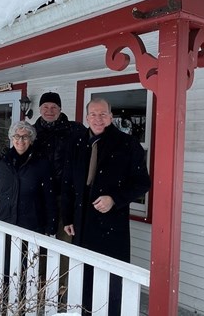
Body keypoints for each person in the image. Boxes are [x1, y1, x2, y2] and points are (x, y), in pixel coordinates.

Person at [62, 97, 151, 315]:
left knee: (110, 281)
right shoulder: (76, 143)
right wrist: (68, 218)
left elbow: (142, 183)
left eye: (103, 114)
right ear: (86, 117)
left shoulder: (127, 144)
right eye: (93, 114)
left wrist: (115, 199)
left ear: (111, 117)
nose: (98, 119)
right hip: (81, 224)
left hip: (111, 227)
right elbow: (67, 183)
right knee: (83, 277)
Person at [0, 121, 57, 235]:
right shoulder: (2, 162)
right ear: (12, 138)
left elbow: (49, 197)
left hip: (31, 227)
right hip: (3, 224)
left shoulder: (41, 163)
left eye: (25, 137)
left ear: (31, 140)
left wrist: (51, 226)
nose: (20, 140)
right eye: (17, 136)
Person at [32, 92, 84, 241]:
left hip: (65, 196)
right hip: (39, 195)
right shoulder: (31, 132)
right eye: (45, 107)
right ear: (39, 109)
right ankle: (39, 265)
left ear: (60, 109)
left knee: (65, 240)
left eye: (54, 107)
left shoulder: (75, 130)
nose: (50, 110)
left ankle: (63, 265)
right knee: (38, 240)